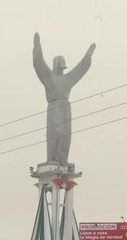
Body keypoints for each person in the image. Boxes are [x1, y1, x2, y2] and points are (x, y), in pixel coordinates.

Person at [33, 32, 96, 165]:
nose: (62, 69)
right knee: (55, 132)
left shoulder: (68, 79)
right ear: (56, 65)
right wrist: (37, 45)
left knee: (66, 134)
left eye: (64, 66)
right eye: (60, 66)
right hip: (54, 106)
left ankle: (63, 160)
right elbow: (39, 64)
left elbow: (81, 68)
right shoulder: (49, 78)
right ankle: (52, 159)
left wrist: (88, 55)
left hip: (66, 108)